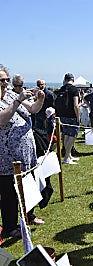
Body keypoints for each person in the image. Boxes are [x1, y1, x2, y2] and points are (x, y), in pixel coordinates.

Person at [0, 67, 45, 238]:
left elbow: (33, 109)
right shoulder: (14, 97)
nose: (5, 83)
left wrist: (40, 99)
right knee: (9, 193)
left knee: (28, 186)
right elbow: (2, 120)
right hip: (6, 157)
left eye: (6, 79)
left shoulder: (12, 95)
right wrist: (18, 99)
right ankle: (10, 226)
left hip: (25, 153)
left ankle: (29, 215)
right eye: (1, 80)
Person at [57, 73, 80, 165]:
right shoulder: (74, 89)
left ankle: (68, 155)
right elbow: (76, 105)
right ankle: (66, 157)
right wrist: (78, 117)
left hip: (63, 116)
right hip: (72, 116)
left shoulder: (61, 89)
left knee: (66, 135)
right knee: (72, 137)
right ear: (73, 80)